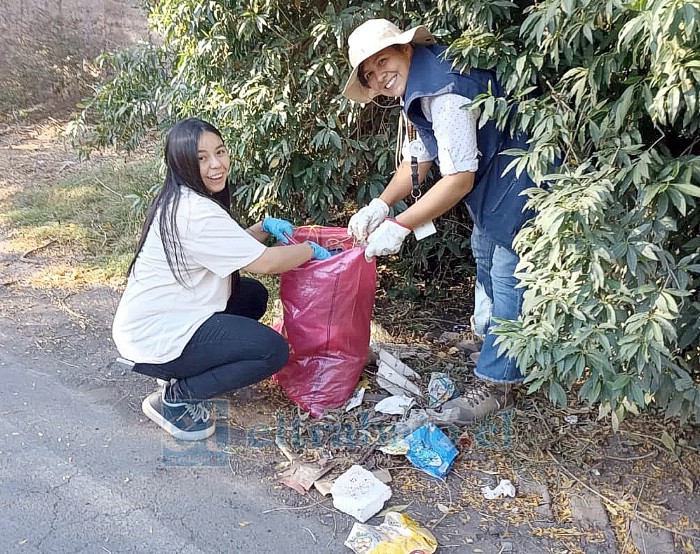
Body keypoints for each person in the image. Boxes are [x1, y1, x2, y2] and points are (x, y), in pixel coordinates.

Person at [343, 19, 541, 421]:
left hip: (521, 184)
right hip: (499, 182)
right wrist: (380, 204)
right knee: (484, 253)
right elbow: (421, 155)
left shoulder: (443, 88)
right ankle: (487, 339)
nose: (379, 77)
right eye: (369, 74)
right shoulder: (425, 75)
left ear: (405, 49)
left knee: (507, 278)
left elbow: (458, 179)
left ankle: (499, 382)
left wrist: (399, 226)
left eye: (382, 61)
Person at [112, 118, 331, 441]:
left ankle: (186, 370)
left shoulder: (182, 198)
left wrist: (261, 228)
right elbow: (268, 263)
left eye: (220, 152)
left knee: (252, 295)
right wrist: (310, 250)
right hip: (155, 338)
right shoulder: (195, 213)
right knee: (271, 351)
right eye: (201, 158)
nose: (216, 165)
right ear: (181, 162)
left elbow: (225, 249)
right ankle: (177, 397)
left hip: (161, 321)